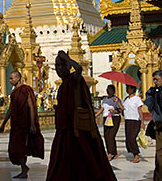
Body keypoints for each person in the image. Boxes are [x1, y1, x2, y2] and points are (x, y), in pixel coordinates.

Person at [46, 51, 117, 181]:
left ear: (69, 66)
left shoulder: (74, 79)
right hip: (64, 129)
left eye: (63, 65)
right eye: (57, 65)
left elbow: (79, 68)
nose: (59, 68)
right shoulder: (63, 85)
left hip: (77, 128)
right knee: (61, 161)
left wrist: (67, 58)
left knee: (84, 158)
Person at [0, 71, 44, 179]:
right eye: (9, 78)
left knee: (22, 147)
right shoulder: (14, 93)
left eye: (12, 78)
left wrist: (33, 124)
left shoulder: (26, 90)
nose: (10, 81)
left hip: (26, 123)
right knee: (15, 148)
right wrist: (3, 123)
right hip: (16, 124)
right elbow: (11, 109)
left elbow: (31, 107)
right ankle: (24, 168)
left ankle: (24, 169)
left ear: (18, 78)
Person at [115, 84, 145, 163]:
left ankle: (136, 154)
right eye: (127, 88)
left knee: (132, 138)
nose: (127, 90)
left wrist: (142, 122)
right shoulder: (126, 99)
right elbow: (123, 109)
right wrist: (118, 102)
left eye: (129, 88)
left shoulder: (137, 99)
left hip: (135, 121)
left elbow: (140, 111)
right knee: (128, 139)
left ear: (133, 89)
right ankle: (133, 153)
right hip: (128, 120)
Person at [95, 84, 122, 161]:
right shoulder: (105, 99)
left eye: (110, 89)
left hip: (114, 118)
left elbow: (121, 109)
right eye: (107, 89)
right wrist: (95, 115)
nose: (108, 90)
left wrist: (114, 109)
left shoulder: (116, 99)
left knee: (111, 135)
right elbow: (101, 109)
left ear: (113, 91)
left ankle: (110, 153)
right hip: (106, 118)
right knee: (107, 136)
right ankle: (115, 152)